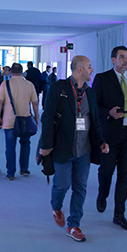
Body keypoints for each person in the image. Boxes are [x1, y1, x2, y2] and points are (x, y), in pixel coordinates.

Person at [40, 56, 109, 242]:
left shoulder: (90, 93)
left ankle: (74, 225)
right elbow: (48, 117)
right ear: (79, 69)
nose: (91, 70)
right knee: (62, 185)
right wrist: (46, 145)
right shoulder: (59, 88)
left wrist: (101, 141)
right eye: (89, 67)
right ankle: (56, 207)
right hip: (63, 147)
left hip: (84, 149)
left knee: (80, 187)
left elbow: (94, 120)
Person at [93, 46, 127, 231]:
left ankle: (119, 214)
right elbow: (94, 106)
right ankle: (102, 194)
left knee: (125, 175)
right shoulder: (102, 78)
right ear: (113, 59)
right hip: (110, 133)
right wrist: (108, 113)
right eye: (122, 57)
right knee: (106, 171)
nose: (125, 61)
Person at [0, 63, 39, 180]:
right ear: (22, 72)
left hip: (9, 120)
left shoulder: (5, 84)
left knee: (10, 146)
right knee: (25, 144)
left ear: (11, 72)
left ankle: (11, 173)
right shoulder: (29, 84)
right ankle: (24, 169)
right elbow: (35, 103)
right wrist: (36, 116)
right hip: (25, 119)